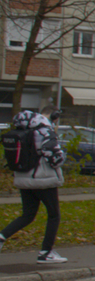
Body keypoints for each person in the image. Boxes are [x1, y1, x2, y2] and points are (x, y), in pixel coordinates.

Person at [0, 107, 68, 263]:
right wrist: (62, 155)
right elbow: (55, 158)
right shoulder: (44, 132)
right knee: (53, 215)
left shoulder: (20, 132)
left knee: (28, 215)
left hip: (23, 180)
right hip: (44, 181)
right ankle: (46, 253)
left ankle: (2, 236)